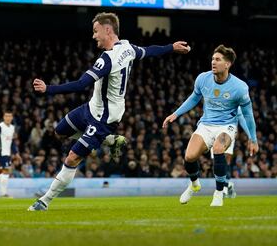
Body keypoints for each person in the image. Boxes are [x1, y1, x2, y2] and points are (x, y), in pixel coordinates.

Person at [28, 12, 190, 211]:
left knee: (72, 158)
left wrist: (48, 89)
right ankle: (110, 141)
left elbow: (81, 84)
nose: (93, 36)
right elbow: (148, 51)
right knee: (59, 132)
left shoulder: (108, 58)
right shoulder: (128, 48)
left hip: (103, 119)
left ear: (107, 30)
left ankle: (44, 201)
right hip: (90, 108)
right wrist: (171, 47)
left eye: (96, 31)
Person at [163, 45, 258, 207]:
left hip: (226, 126)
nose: (213, 62)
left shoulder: (240, 87)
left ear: (227, 64)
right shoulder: (203, 78)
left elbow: (248, 114)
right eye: (213, 59)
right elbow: (194, 98)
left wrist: (253, 139)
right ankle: (194, 184)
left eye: (218, 59)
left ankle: (219, 193)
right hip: (206, 125)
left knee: (219, 149)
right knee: (189, 157)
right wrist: (176, 114)